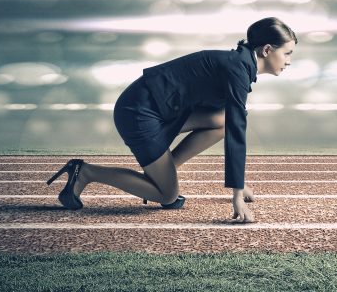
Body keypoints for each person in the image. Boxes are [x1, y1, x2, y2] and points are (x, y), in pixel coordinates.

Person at [46, 17, 297, 223]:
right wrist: (237, 195)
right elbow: (237, 134)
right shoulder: (236, 69)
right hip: (139, 113)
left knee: (224, 120)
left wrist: (238, 184)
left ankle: (163, 171)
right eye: (287, 53)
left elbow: (231, 122)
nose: (289, 61)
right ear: (266, 50)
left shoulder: (238, 64)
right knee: (167, 196)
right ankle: (85, 172)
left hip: (163, 111)